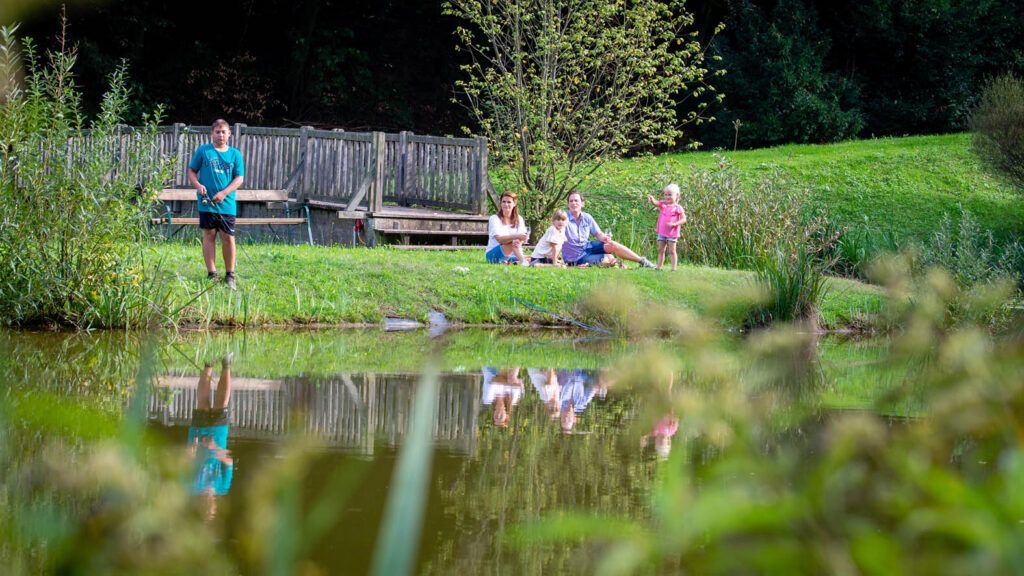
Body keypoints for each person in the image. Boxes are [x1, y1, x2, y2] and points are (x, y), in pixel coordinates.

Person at [188, 119, 245, 290]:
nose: (220, 135)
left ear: (229, 134)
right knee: (209, 234)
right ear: (212, 133)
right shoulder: (204, 151)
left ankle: (230, 275)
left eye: (223, 132)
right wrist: (197, 185)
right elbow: (191, 171)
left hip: (227, 204)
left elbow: (239, 178)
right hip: (206, 202)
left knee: (228, 237)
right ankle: (212, 273)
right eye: (217, 132)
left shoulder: (235, 154)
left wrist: (224, 193)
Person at [188, 354, 234, 521]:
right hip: (218, 435)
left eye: (204, 511)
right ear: (215, 507)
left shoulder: (190, 487)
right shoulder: (222, 488)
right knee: (222, 403)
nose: (207, 507)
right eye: (211, 511)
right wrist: (214, 447)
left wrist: (190, 452)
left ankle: (208, 364)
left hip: (198, 435)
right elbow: (229, 461)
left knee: (202, 403)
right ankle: (226, 364)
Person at [563, 191, 656, 268]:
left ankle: (642, 261)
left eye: (576, 200)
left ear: (582, 203)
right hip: (576, 257)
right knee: (607, 259)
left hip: (587, 247)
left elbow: (598, 233)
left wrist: (605, 238)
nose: (573, 203)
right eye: (571, 201)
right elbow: (556, 237)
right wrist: (556, 259)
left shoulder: (587, 217)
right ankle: (615, 263)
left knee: (612, 244)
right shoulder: (563, 218)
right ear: (568, 204)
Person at [646, 183, 687, 271]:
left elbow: (684, 219)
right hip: (662, 232)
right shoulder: (663, 204)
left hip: (672, 233)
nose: (667, 197)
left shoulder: (678, 207)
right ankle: (659, 267)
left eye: (670, 195)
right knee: (660, 250)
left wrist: (675, 224)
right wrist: (652, 199)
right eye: (666, 194)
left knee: (672, 251)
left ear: (677, 195)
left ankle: (673, 268)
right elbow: (655, 203)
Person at [485, 191, 529, 265]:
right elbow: (499, 239)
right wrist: (516, 236)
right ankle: (522, 262)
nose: (506, 204)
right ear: (500, 203)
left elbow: (522, 238)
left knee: (532, 257)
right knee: (514, 242)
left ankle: (513, 262)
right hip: (494, 255)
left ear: (514, 204)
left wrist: (520, 240)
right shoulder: (494, 218)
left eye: (509, 202)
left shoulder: (519, 218)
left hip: (514, 253)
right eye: (503, 202)